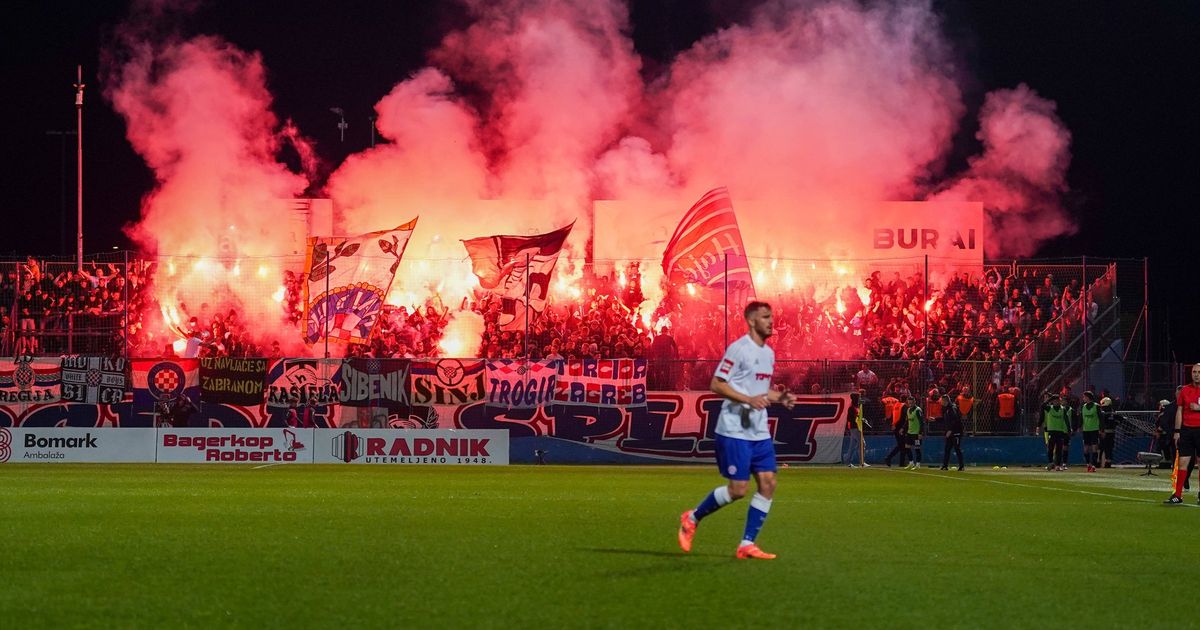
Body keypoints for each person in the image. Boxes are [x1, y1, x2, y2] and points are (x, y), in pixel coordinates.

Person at [677, 302, 797, 559]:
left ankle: (746, 544)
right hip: (734, 430)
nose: (771, 321)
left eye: (771, 317)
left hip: (759, 431)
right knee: (738, 490)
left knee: (768, 483)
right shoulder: (739, 348)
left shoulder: (769, 353)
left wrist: (781, 396)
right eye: (765, 317)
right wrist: (747, 399)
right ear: (752, 321)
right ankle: (692, 517)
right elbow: (716, 384)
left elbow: (760, 391)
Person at [1167, 367, 1200, 505]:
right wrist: (1177, 431)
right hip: (1186, 430)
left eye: (1199, 372)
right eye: (1194, 372)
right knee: (1182, 463)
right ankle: (1178, 495)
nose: (1197, 375)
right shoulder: (1185, 390)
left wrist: (1199, 408)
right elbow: (1179, 411)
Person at [1038, 393, 1069, 471]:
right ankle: (1050, 463)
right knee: (1050, 448)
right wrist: (1050, 399)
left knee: (1059, 449)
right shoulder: (1050, 408)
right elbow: (1042, 406)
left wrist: (1069, 429)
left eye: (1057, 400)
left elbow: (1066, 420)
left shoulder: (1063, 409)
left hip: (1060, 431)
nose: (1056, 402)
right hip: (1051, 431)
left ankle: (1058, 465)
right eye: (1054, 401)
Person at [1078, 391, 1102, 472]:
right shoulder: (1083, 406)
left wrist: (1102, 429)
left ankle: (1094, 466)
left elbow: (1101, 418)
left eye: (1084, 397)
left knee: (1094, 448)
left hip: (1094, 430)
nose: (1083, 398)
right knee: (1086, 448)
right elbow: (1081, 418)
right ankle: (1088, 464)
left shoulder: (1096, 406)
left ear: (1088, 397)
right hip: (1086, 430)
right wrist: (1079, 426)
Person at [941, 394, 964, 471]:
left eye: (942, 400)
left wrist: (950, 430)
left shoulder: (952, 408)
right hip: (950, 432)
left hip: (956, 432)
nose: (941, 402)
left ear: (946, 401)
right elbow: (945, 420)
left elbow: (955, 419)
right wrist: (935, 419)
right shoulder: (946, 409)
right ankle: (945, 465)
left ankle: (962, 466)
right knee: (947, 449)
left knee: (957, 448)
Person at [845, 391, 868, 468]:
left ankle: (848, 461)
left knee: (853, 445)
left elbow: (858, 416)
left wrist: (861, 419)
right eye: (859, 398)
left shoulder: (856, 407)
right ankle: (861, 462)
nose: (860, 399)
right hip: (855, 428)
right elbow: (849, 418)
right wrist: (857, 419)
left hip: (857, 427)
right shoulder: (851, 408)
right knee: (862, 444)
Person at [901, 394, 925, 469]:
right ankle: (911, 462)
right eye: (909, 403)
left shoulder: (918, 410)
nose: (910, 404)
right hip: (909, 432)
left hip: (916, 433)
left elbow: (922, 422)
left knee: (917, 448)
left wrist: (920, 432)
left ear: (914, 402)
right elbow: (907, 421)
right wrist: (903, 428)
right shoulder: (908, 410)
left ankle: (918, 464)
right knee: (907, 447)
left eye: (911, 403)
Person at [1098, 396, 1116, 468]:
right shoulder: (1111, 413)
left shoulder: (1108, 413)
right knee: (1104, 448)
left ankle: (1104, 462)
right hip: (1107, 433)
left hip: (1107, 433)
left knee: (1105, 448)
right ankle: (1102, 462)